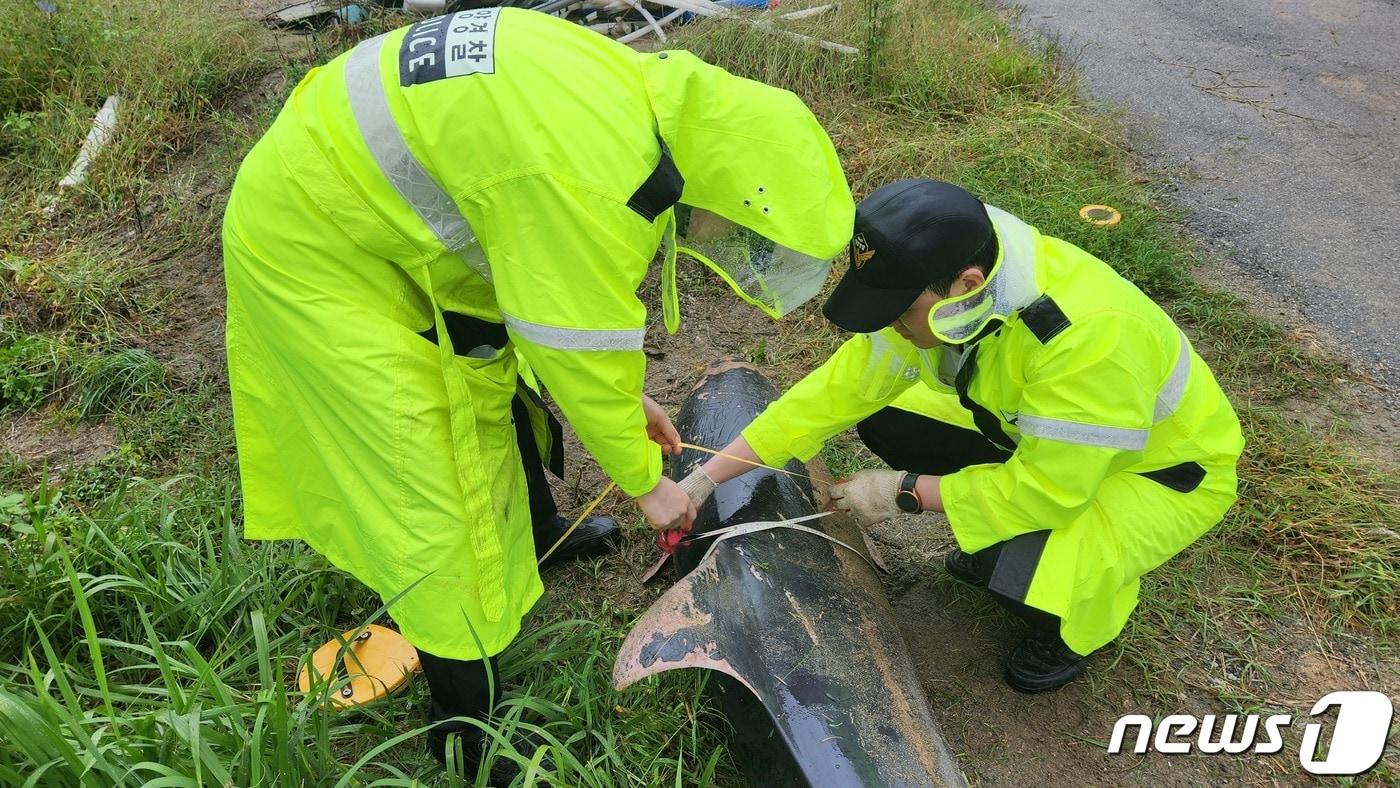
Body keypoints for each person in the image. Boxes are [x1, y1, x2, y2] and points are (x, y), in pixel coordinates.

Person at [222, 7, 853, 764]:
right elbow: (576, 338)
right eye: (746, 228)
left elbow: (556, 320)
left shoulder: (640, 104)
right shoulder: (595, 176)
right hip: (318, 246)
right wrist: (649, 483)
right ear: (734, 186)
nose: (733, 241)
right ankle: (466, 725)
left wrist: (628, 403)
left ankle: (535, 531)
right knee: (425, 478)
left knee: (491, 377)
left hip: (372, 206)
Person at [677, 179, 1244, 693]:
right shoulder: (957, 282)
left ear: (965, 286)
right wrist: (706, 476)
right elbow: (833, 394)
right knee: (886, 415)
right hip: (1041, 437)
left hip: (1156, 474)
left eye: (899, 311)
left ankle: (1076, 631)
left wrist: (903, 491)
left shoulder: (1089, 340)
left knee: (1020, 557)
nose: (890, 323)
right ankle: (1001, 546)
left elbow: (1050, 490)